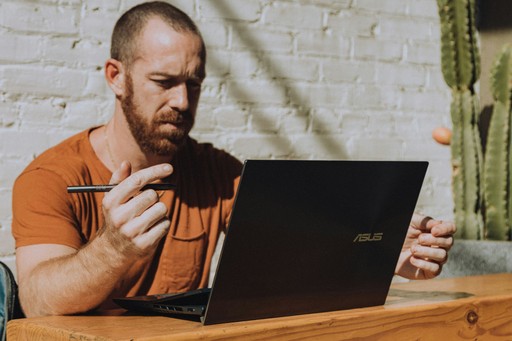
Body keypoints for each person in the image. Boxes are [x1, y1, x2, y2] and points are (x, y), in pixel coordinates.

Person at [11, 1, 456, 318]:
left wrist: (378, 251)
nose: (183, 101)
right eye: (164, 81)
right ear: (116, 77)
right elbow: (38, 301)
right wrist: (112, 247)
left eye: (195, 84)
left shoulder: (217, 174)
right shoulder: (52, 176)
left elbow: (298, 243)